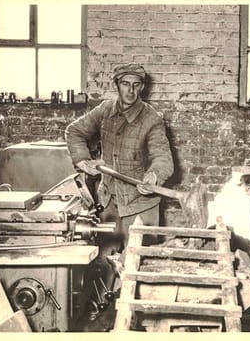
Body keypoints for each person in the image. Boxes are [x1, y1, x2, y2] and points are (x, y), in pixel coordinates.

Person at [65, 63, 174, 253]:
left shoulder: (152, 119)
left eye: (136, 84)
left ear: (142, 87)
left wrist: (153, 176)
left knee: (140, 262)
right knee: (106, 263)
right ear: (116, 85)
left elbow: (163, 158)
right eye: (125, 84)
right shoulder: (105, 110)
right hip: (108, 204)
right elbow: (74, 131)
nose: (130, 90)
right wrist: (82, 160)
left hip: (140, 205)